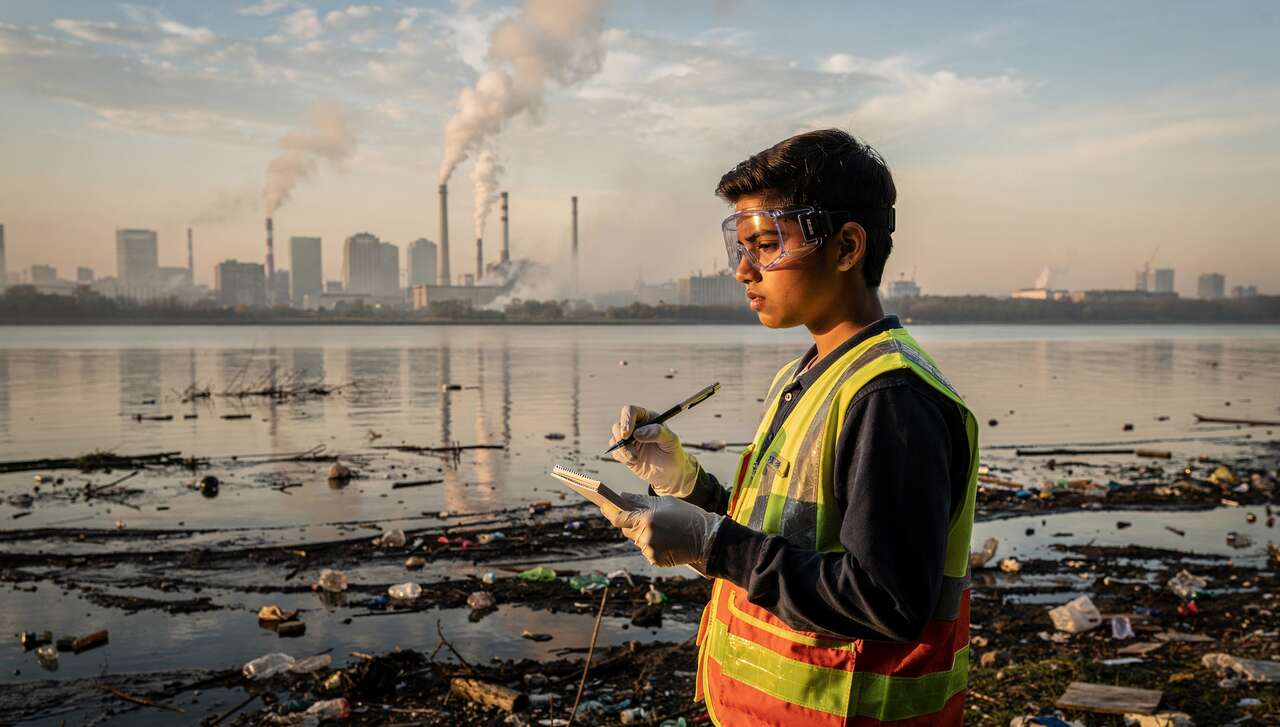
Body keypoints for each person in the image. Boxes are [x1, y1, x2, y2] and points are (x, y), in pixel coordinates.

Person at [602, 129, 978, 726]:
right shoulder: (806, 375)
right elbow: (784, 532)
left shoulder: (890, 398)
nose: (743, 270)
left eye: (766, 244)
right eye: (740, 247)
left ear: (847, 247)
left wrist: (711, 543)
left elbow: (884, 599)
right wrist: (686, 487)